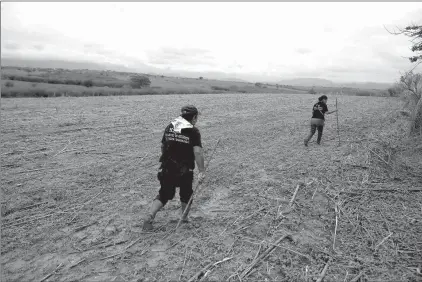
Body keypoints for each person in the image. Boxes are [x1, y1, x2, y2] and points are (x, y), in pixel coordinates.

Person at [143, 105, 205, 231]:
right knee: (186, 195)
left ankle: (150, 216)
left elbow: (162, 146)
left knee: (164, 194)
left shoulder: (170, 126)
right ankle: (184, 220)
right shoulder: (193, 131)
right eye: (196, 117)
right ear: (193, 117)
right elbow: (198, 153)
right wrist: (202, 171)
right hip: (185, 169)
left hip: (167, 167)